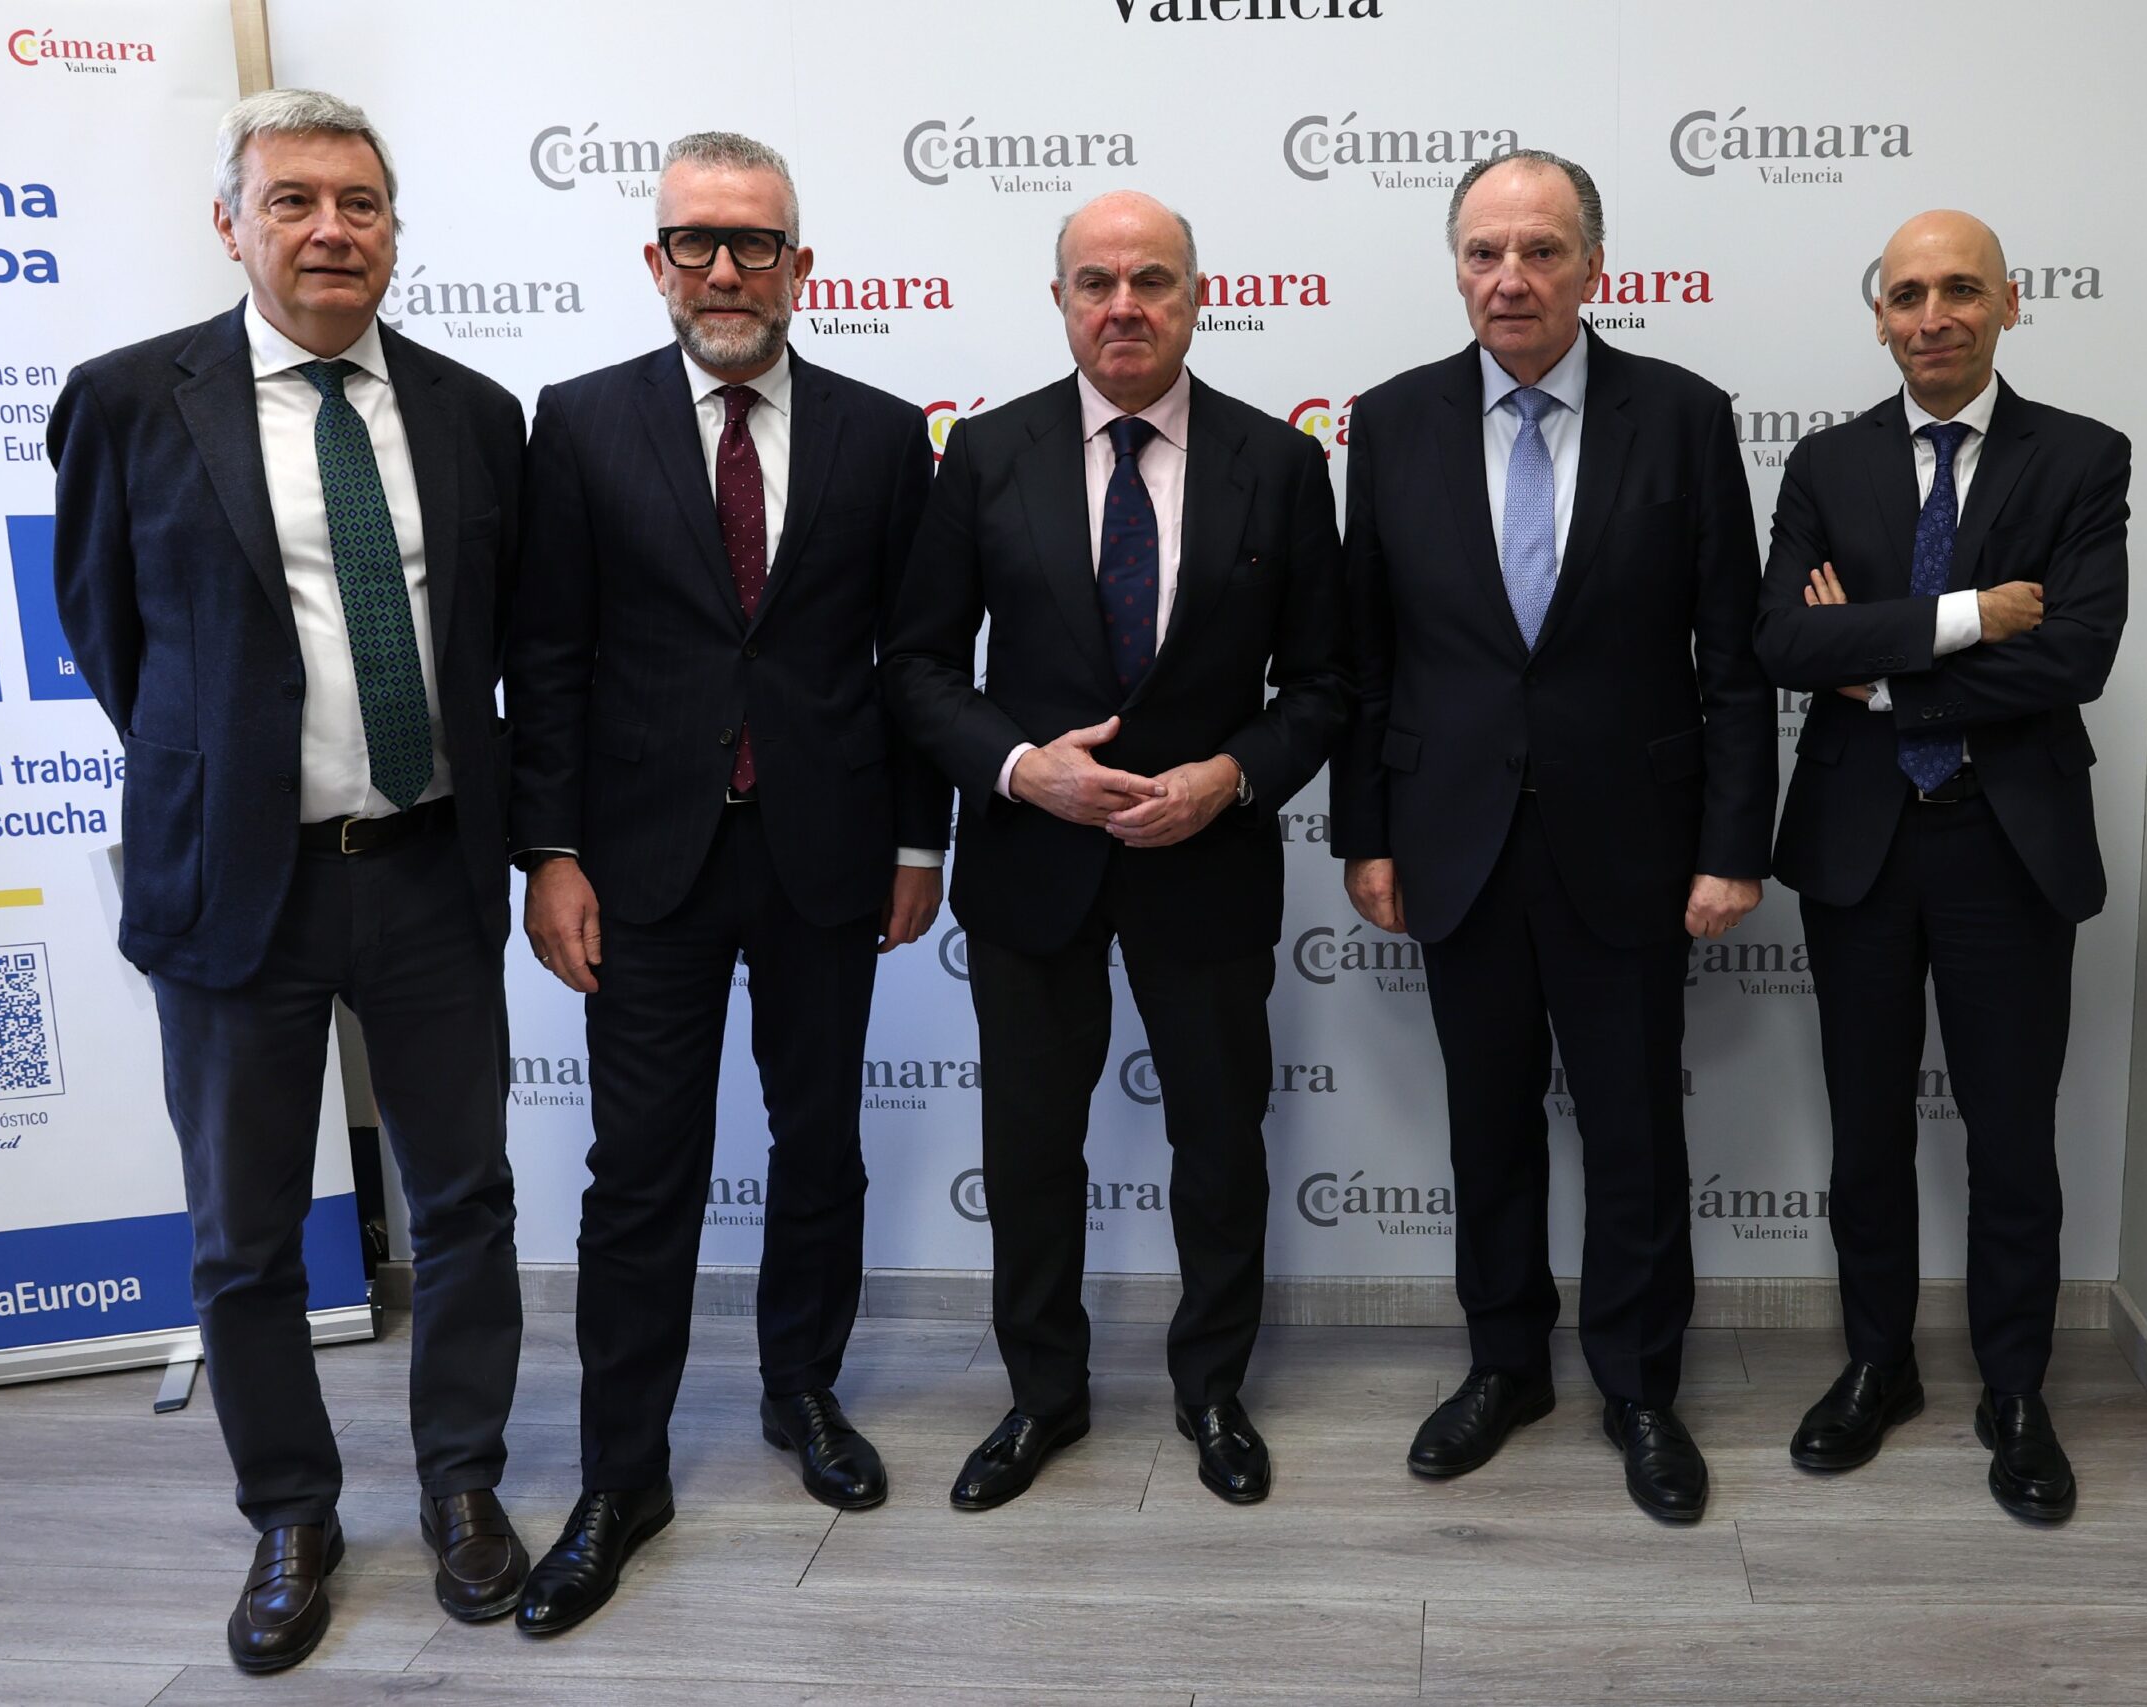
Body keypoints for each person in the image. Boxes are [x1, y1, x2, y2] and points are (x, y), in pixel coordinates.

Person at [47, 89, 528, 1671]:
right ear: (232, 224)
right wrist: (238, 776)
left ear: (394, 229)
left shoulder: (474, 413)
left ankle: (463, 1485)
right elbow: (112, 640)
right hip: (231, 885)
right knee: (245, 1236)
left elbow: (504, 645)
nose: (333, 229)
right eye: (296, 200)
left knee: (462, 1202)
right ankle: (292, 1513)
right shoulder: (129, 401)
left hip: (429, 872)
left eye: (361, 203)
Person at [505, 131, 948, 1633]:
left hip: (827, 855)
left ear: (799, 266)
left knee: (820, 1148)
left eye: (755, 243)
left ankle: (800, 1390)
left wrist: (918, 842)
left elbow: (915, 665)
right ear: (656, 261)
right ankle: (621, 1475)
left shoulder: (883, 435)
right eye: (695, 241)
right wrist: (550, 852)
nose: (724, 270)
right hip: (643, 866)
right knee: (641, 1174)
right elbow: (545, 659)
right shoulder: (579, 422)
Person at [1330, 150, 1774, 1525]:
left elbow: (1733, 662)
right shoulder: (1388, 422)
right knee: (1488, 1125)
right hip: (1454, 839)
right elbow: (1366, 659)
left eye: (1539, 250)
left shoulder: (1684, 417)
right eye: (1484, 252)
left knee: (1635, 1129)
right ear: (1457, 267)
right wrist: (1366, 834)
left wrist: (1733, 846)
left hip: (1634, 842)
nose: (1509, 278)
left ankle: (1639, 1387)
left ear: (1593, 266)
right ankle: (1505, 1366)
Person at [886, 190, 1347, 1510]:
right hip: (1032, 865)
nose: (1124, 306)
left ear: (1199, 298)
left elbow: (1326, 683)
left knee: (1220, 1144)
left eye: (1152, 280)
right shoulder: (987, 456)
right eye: (1096, 282)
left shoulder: (1280, 463)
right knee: (1031, 1149)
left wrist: (1230, 777)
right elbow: (919, 666)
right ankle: (1043, 1395)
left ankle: (1213, 1390)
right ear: (1061, 300)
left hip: (1209, 863)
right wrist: (1023, 768)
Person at [1753, 209, 2128, 1524]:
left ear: (2010, 304)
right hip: (1861, 845)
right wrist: (1972, 618)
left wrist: (1879, 666)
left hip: (2006, 845)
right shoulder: (1825, 463)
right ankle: (1879, 1365)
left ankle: (2014, 1391)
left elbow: (2074, 655)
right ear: (1879, 318)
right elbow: (1783, 646)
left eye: (1961, 289)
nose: (1933, 316)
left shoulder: (2079, 457)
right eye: (1907, 294)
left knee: (2012, 1136)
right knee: (1865, 1130)